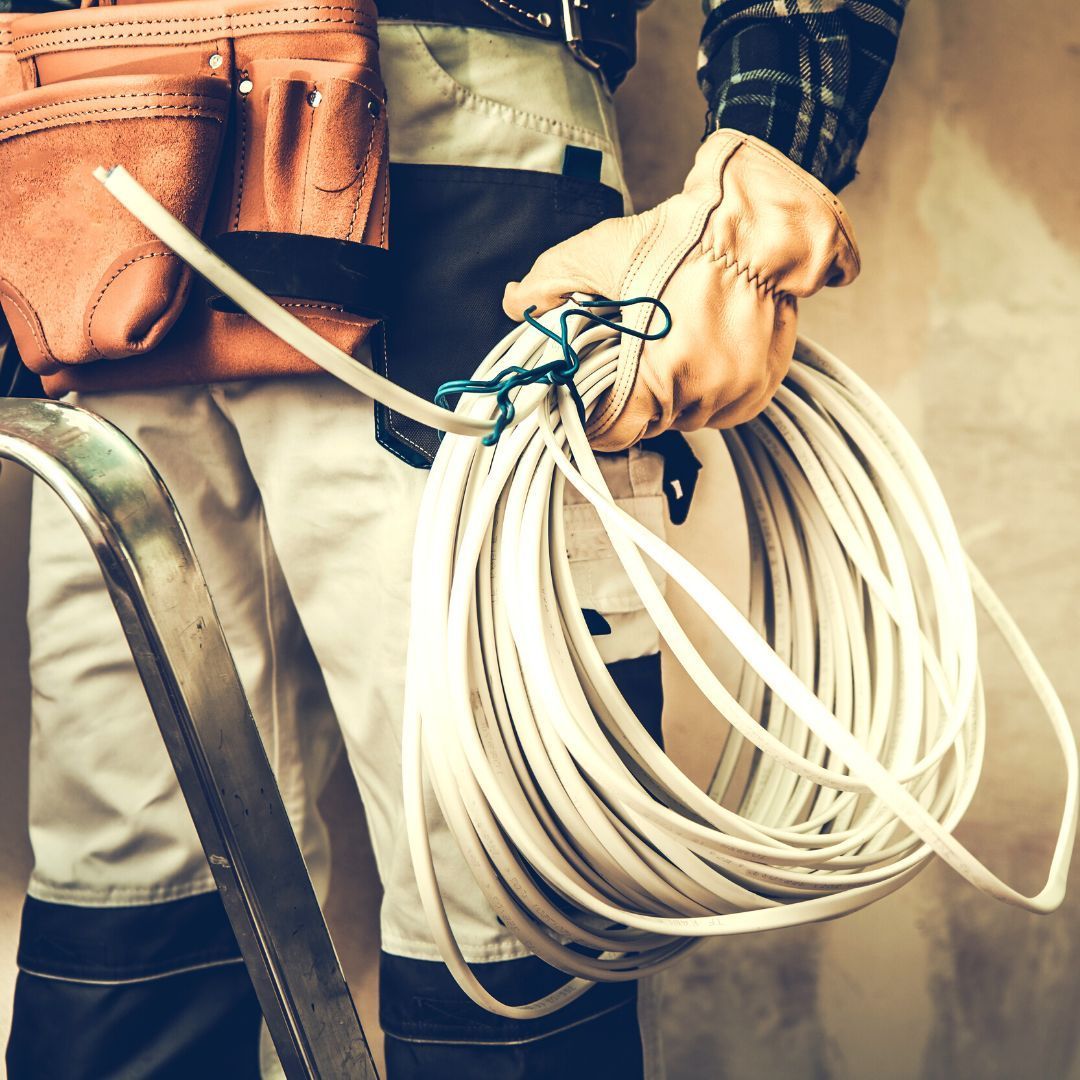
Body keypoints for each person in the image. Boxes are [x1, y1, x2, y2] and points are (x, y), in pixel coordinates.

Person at [3, 1, 906, 1076]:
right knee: (128, 872)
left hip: (440, 141)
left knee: (500, 888)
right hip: (79, 146)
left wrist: (765, 169)